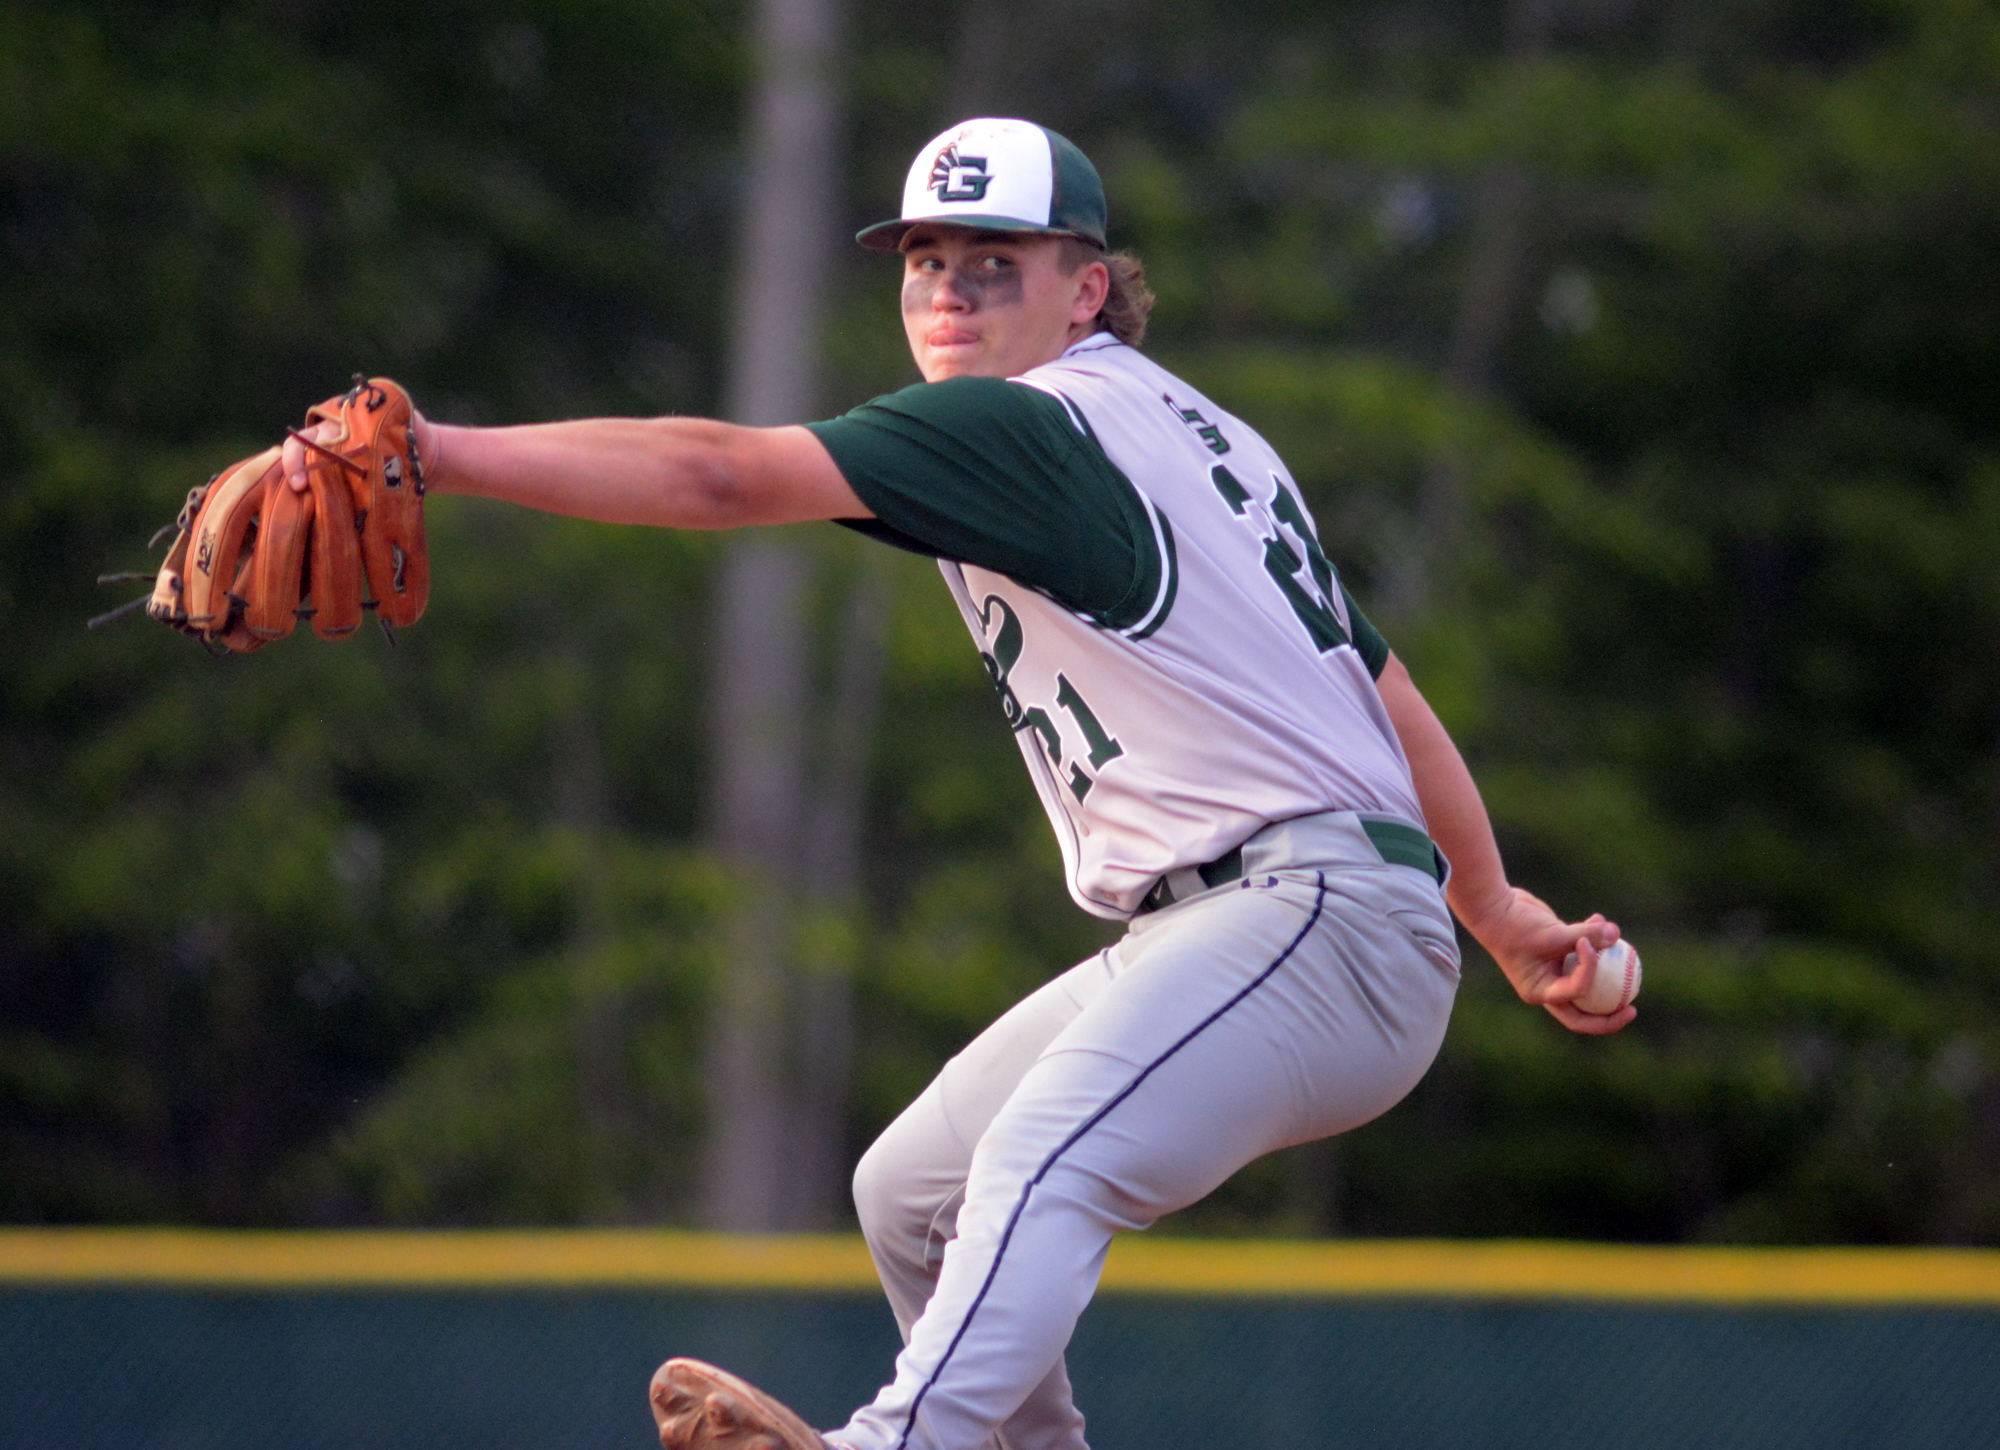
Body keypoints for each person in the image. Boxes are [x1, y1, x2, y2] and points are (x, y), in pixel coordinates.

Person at [285, 117, 1632, 1450]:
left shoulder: (1033, 428)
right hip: (1278, 918)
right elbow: (1381, 693)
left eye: (995, 262)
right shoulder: (1203, 438)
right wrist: (1497, 905)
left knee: (1044, 1153)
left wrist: (441, 454)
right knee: (910, 1191)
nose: (948, 291)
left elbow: (714, 471)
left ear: (1085, 289)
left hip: (1306, 919)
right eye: (925, 259)